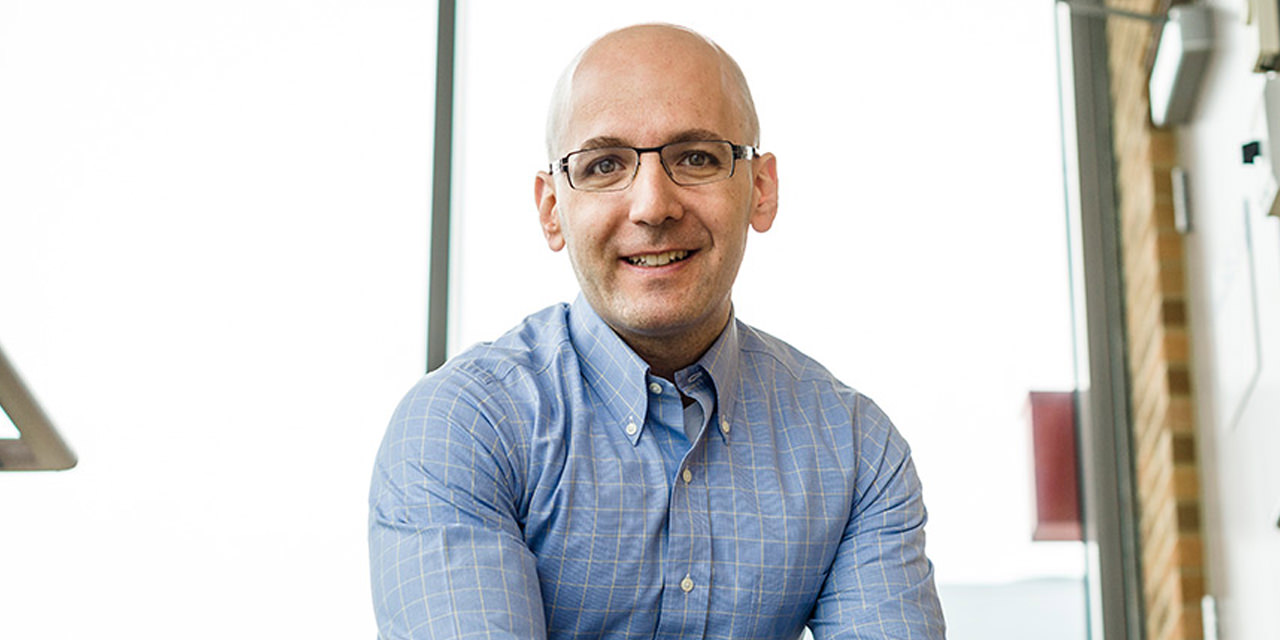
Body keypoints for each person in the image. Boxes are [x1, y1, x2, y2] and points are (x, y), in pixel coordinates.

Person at [369, 23, 945, 639]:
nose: (652, 205)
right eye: (604, 165)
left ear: (762, 189)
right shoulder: (463, 426)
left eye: (695, 157)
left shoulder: (855, 450)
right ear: (551, 210)